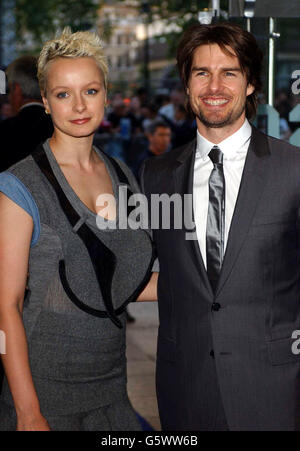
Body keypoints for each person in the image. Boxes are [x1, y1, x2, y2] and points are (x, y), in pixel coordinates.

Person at [141, 22, 300, 431]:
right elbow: (139, 268)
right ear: (187, 85)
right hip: (185, 387)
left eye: (229, 72)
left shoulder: (293, 169)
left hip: (277, 389)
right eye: (201, 73)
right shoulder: (156, 176)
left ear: (250, 84)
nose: (215, 86)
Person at [0, 28, 157, 431]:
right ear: (47, 103)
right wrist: (28, 412)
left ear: (107, 94)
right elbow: (6, 307)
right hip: (44, 392)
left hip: (113, 388)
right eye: (63, 93)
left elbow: (123, 279)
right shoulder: (20, 185)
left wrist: (216, 280)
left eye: (89, 90)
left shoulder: (122, 175)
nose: (79, 105)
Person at [0, 56, 53, 171]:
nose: (8, 97)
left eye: (9, 90)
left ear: (17, 90)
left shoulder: (5, 131)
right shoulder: (61, 127)